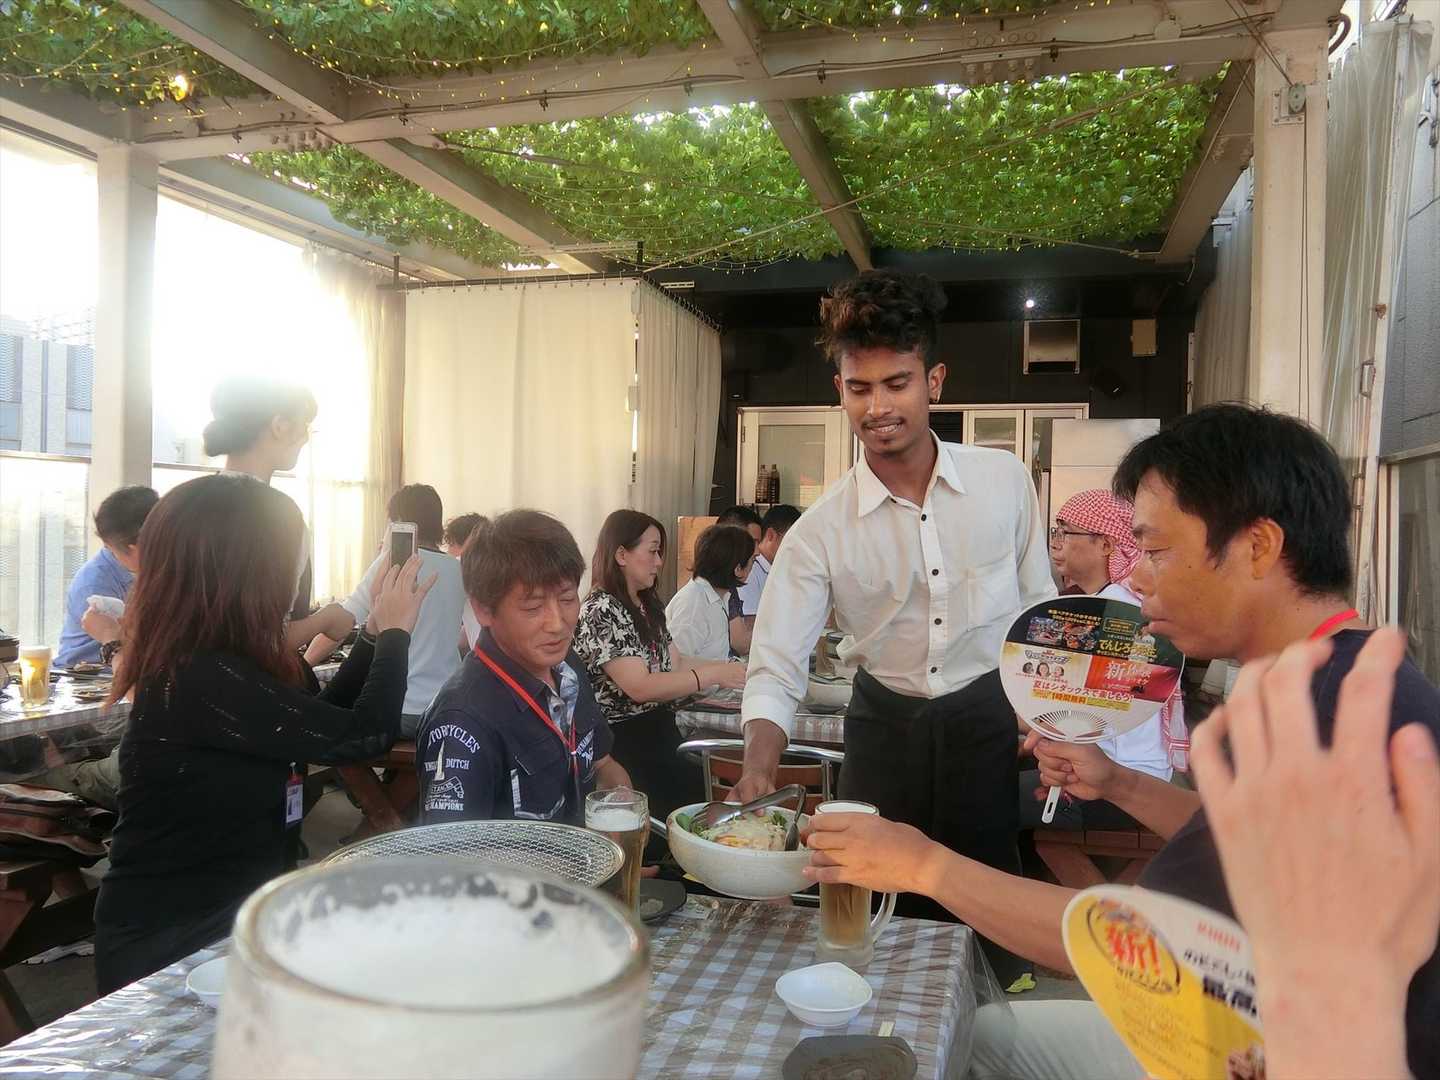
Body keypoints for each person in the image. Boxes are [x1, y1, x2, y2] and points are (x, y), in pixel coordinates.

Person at [802, 404, 1440, 1079]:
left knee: (967, 1045)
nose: (1137, 577)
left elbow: (1125, 940)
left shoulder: (1329, 719)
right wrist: (1120, 783)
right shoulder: (1339, 676)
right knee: (981, 1035)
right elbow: (1248, 844)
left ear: (1258, 548)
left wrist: (921, 866)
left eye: (1157, 551)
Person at [734, 270, 1054, 984]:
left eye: (897, 383)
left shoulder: (1003, 482)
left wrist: (1049, 721)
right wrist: (758, 764)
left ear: (933, 381)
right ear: (841, 390)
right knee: (867, 912)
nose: (877, 407)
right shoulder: (820, 531)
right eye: (859, 388)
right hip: (882, 732)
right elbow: (776, 665)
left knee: (987, 905)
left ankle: (990, 1026)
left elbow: (1038, 613)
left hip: (983, 724)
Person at [94, 474, 435, 993]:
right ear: (247, 570)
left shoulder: (234, 659)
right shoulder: (197, 674)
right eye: (291, 558)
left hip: (240, 914)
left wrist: (370, 636)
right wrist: (394, 634)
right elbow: (362, 736)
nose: (297, 575)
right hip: (173, 939)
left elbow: (325, 718)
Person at [416, 511, 630, 825]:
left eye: (567, 599)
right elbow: (453, 851)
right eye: (533, 606)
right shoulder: (463, 722)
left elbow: (603, 763)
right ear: (484, 609)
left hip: (589, 849)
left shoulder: (567, 667)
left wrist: (621, 808)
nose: (557, 624)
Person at [1022, 489, 1183, 830]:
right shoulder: (1115, 601)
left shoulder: (1114, 613)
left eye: (1066, 531)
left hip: (1119, 783)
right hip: (1123, 769)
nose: (1056, 543)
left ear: (1107, 545)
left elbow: (1069, 710)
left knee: (985, 800)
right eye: (1055, 531)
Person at [574, 509, 747, 820]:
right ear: (621, 554)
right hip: (623, 742)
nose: (659, 562)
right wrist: (712, 673)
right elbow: (639, 686)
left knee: (699, 805)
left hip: (659, 730)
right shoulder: (601, 609)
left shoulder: (646, 603)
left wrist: (730, 672)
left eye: (660, 552)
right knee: (677, 815)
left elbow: (674, 661)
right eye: (652, 551)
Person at [304, 484, 468, 736]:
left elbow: (341, 626)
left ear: (398, 521)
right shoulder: (459, 570)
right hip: (445, 708)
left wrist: (304, 665)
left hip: (400, 708)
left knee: (333, 729)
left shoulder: (390, 564)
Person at [203, 376, 351, 651]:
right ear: (280, 426)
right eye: (304, 425)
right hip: (248, 679)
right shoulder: (280, 518)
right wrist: (324, 620)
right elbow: (266, 642)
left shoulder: (173, 506)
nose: (305, 437)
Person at [55, 486, 158, 668]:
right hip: (85, 675)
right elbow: (135, 653)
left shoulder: (167, 571)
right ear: (137, 549)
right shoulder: (95, 584)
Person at [665, 525, 756, 661]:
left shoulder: (719, 597)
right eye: (753, 561)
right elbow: (675, 663)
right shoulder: (693, 605)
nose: (753, 567)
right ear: (738, 569)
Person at [731, 503, 801, 655]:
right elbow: (749, 629)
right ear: (770, 535)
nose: (798, 549)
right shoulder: (750, 570)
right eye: (794, 541)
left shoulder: (778, 568)